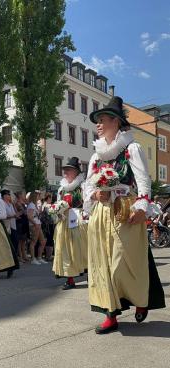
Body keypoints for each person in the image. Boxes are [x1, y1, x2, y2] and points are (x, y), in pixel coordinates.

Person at [84, 96, 165, 334]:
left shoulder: (132, 148)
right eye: (97, 121)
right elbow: (88, 185)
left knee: (124, 261)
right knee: (103, 264)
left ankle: (141, 299)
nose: (98, 124)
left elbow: (143, 180)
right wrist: (94, 195)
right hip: (101, 213)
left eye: (103, 119)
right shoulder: (96, 155)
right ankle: (110, 314)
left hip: (125, 210)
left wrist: (142, 208)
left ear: (117, 122)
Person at [52, 157, 87, 290]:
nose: (65, 172)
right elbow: (57, 204)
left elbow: (88, 204)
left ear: (76, 172)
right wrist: (57, 211)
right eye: (64, 170)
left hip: (79, 221)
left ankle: (90, 271)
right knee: (65, 249)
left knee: (82, 248)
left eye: (68, 170)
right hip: (64, 221)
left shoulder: (82, 186)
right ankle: (69, 278)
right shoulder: (61, 189)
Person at [27, 191, 47, 265]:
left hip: (38, 224)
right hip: (34, 225)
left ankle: (39, 257)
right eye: (38, 195)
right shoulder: (31, 205)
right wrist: (35, 224)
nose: (39, 197)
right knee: (33, 242)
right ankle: (33, 259)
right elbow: (29, 216)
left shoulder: (34, 205)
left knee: (42, 241)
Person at [1, 189, 19, 254]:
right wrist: (13, 216)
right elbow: (4, 216)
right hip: (7, 226)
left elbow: (15, 213)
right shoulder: (2, 204)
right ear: (4, 196)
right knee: (11, 242)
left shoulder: (10, 204)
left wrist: (13, 204)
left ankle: (14, 258)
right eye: (8, 194)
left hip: (13, 226)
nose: (10, 196)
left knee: (15, 242)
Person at [14, 191, 29, 263]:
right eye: (23, 195)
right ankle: (20, 256)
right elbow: (16, 213)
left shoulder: (23, 203)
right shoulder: (17, 203)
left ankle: (24, 255)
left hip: (24, 222)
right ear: (19, 195)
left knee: (23, 240)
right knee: (20, 241)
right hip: (20, 222)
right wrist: (23, 211)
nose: (24, 196)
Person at [41, 193, 55, 261]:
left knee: (48, 240)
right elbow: (50, 214)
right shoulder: (47, 205)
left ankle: (48, 255)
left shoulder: (45, 205)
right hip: (48, 225)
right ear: (48, 198)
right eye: (51, 198)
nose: (51, 199)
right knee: (49, 240)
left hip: (47, 225)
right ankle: (48, 256)